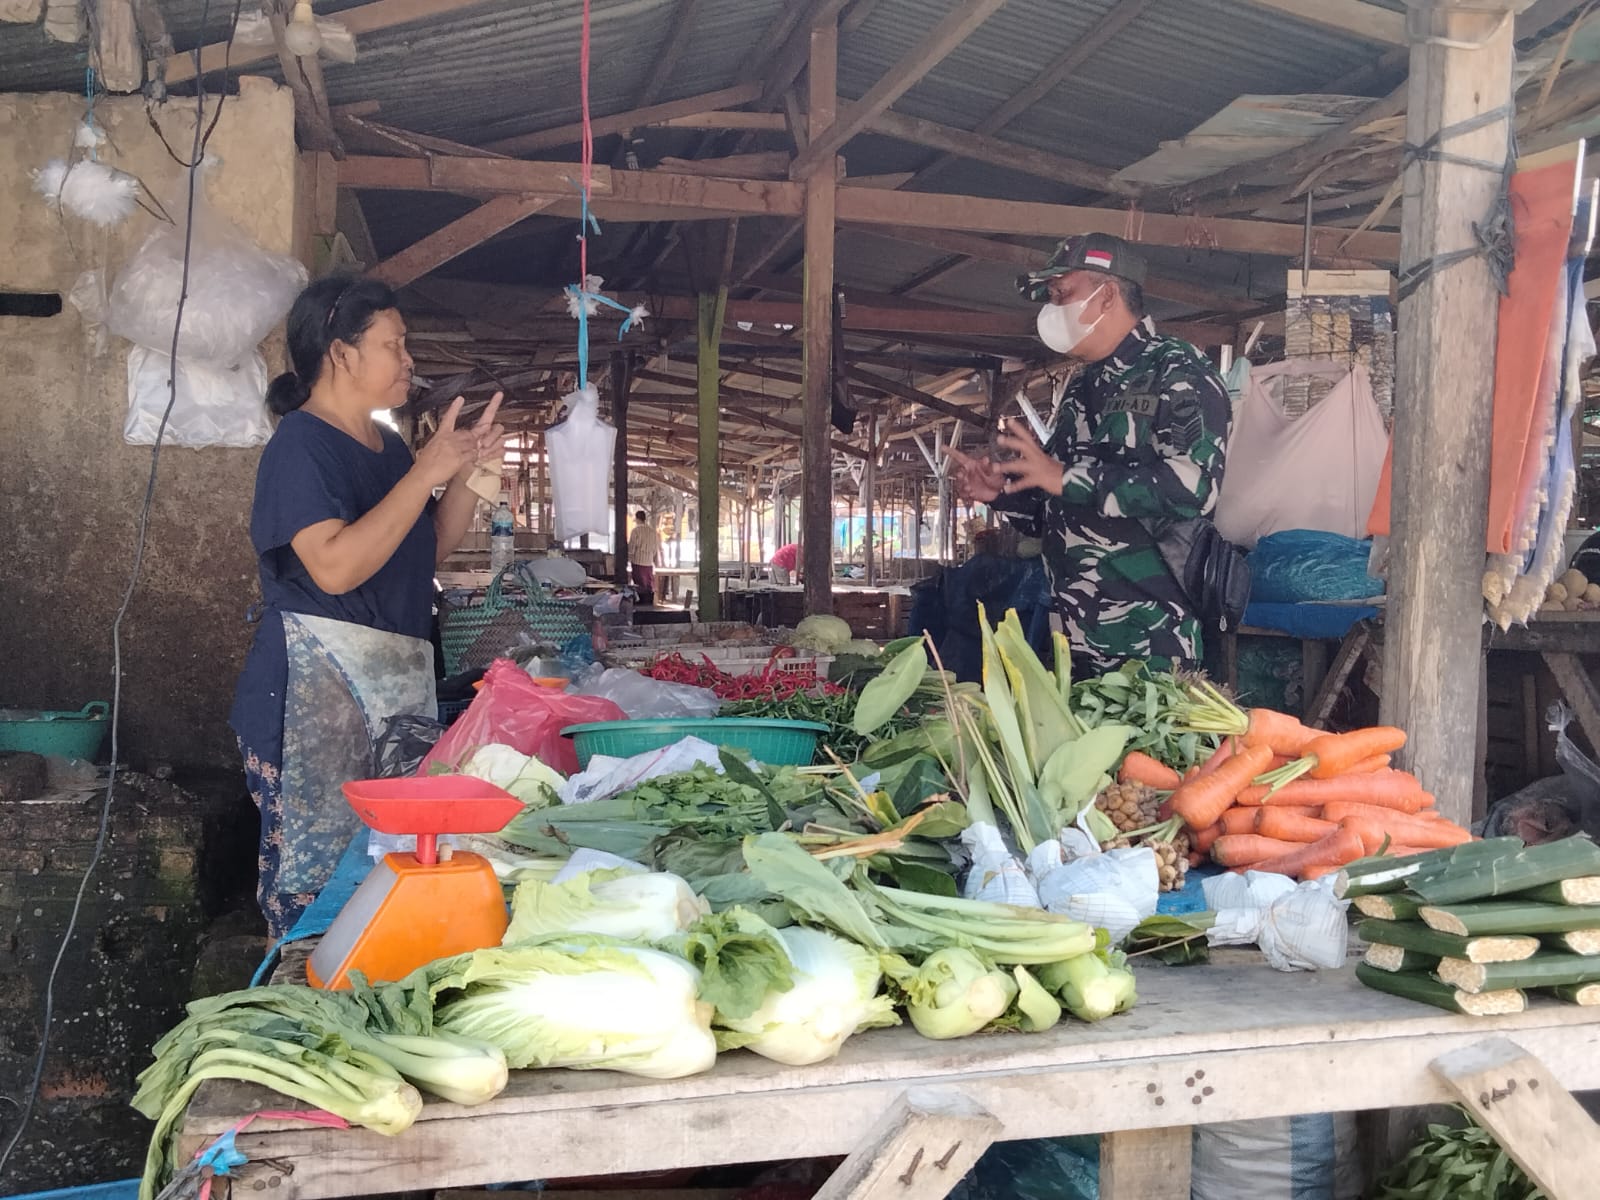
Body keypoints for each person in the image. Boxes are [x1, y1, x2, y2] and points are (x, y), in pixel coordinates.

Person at [229, 273, 505, 941]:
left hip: (386, 693)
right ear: (341, 353)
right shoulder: (300, 446)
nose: (408, 360)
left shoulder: (388, 450)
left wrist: (466, 472)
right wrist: (424, 473)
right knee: (316, 898)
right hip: (310, 709)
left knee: (379, 882)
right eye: (395, 344)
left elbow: (425, 549)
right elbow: (334, 565)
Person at [947, 233, 1231, 676]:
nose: (1052, 307)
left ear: (1107, 295)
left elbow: (1194, 486)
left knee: (1148, 749)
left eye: (1061, 293)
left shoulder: (1176, 369)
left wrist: (1066, 477)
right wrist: (1003, 494)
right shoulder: (1083, 385)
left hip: (1150, 640)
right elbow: (1055, 507)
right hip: (1073, 637)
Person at [628, 509, 662, 605]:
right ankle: (648, 603)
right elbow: (655, 548)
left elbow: (632, 547)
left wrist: (629, 558)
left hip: (637, 562)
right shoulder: (652, 532)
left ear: (637, 519)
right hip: (648, 563)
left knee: (638, 584)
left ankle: (640, 604)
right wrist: (651, 557)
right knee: (648, 585)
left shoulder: (635, 531)